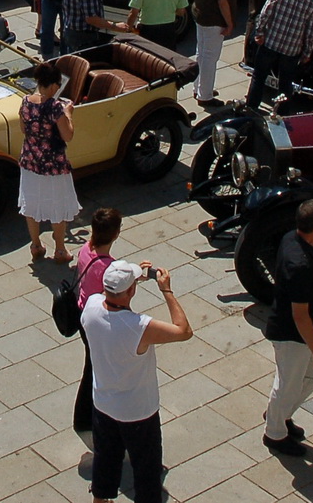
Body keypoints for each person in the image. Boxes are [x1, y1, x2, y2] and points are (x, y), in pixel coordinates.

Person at [80, 260, 193, 503]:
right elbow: (183, 330)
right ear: (131, 291)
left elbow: (105, 295)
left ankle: (100, 499)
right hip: (138, 411)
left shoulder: (90, 308)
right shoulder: (138, 327)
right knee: (146, 468)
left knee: (105, 460)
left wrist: (130, 282)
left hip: (103, 404)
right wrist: (167, 291)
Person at [263, 198, 313, 457]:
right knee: (293, 382)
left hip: (293, 330)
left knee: (305, 377)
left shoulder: (291, 238)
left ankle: (279, 414)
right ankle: (275, 433)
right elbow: (300, 316)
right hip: (292, 335)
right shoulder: (301, 265)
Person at [14, 63, 79, 263]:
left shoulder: (26, 101)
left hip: (30, 161)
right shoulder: (55, 107)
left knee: (31, 204)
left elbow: (24, 129)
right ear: (53, 86)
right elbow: (67, 135)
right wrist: (68, 114)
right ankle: (60, 250)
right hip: (53, 164)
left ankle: (35, 245)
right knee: (58, 205)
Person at [242, 0, 313, 113]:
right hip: (291, 50)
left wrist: (259, 32)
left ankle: (251, 109)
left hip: (270, 42)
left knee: (258, 77)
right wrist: (306, 53)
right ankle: (283, 115)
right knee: (285, 84)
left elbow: (266, 10)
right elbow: (311, 32)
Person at [73, 208, 122, 433]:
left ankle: (85, 417)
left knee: (92, 365)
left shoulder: (85, 250)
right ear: (116, 234)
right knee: (94, 369)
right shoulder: (108, 267)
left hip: (82, 312)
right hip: (98, 322)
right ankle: (85, 418)